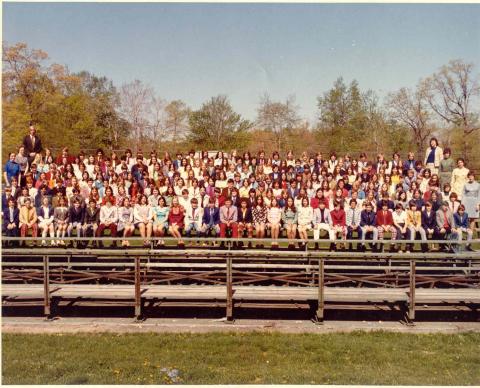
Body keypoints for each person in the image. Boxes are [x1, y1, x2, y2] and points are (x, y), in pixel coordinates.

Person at [462, 171, 480, 236]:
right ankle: (467, 232)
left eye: (472, 176)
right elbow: (463, 195)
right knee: (467, 217)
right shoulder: (465, 185)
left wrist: (478, 204)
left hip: (475, 203)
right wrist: (463, 204)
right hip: (467, 202)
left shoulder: (478, 185)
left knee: (473, 218)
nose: (470, 177)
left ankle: (470, 234)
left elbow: (479, 195)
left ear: (474, 177)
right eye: (469, 176)